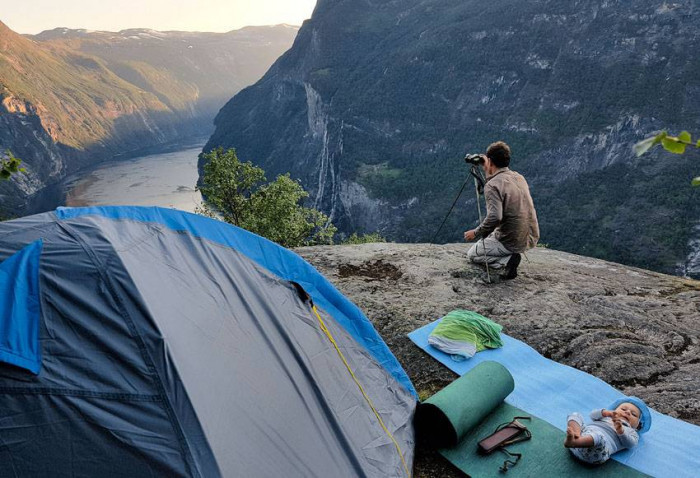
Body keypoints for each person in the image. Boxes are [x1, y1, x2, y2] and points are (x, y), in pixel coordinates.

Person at [463, 141, 539, 280]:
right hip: (529, 237)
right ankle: (510, 256)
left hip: (511, 241)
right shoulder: (518, 177)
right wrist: (489, 170)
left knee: (472, 255)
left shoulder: (492, 185)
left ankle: (506, 261)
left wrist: (475, 233)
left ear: (490, 161)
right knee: (493, 232)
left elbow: (495, 217)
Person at [564, 396, 652, 465]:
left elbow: (630, 444)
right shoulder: (607, 417)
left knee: (599, 436)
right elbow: (592, 415)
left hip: (594, 453)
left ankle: (576, 442)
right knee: (576, 415)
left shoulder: (631, 431)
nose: (627, 412)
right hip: (583, 437)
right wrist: (605, 413)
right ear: (614, 410)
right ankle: (575, 436)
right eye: (623, 409)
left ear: (637, 426)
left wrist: (621, 431)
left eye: (633, 414)